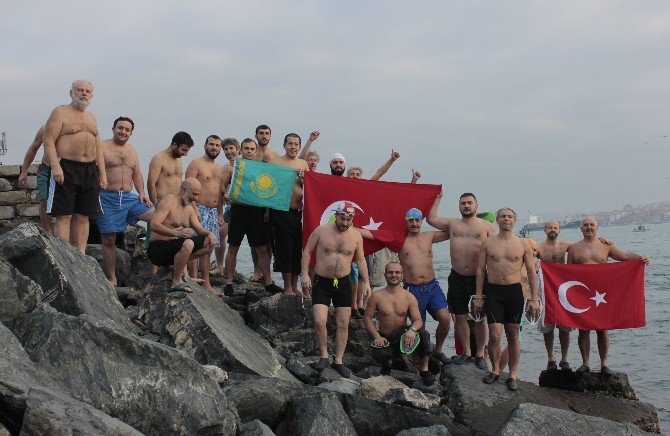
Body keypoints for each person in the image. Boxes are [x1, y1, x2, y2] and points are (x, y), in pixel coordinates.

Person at [358, 208, 452, 364]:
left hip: (432, 286)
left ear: (422, 221)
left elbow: (453, 231)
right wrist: (351, 228)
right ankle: (422, 365)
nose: (414, 223)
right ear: (406, 222)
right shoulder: (399, 239)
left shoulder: (430, 236)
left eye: (417, 220)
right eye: (410, 220)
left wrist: (437, 200)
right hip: (412, 289)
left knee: (445, 319)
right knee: (419, 328)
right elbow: (373, 235)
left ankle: (438, 350)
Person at [567, 216, 650, 375]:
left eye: (592, 225)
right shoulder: (573, 248)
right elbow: (567, 273)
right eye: (586, 225)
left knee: (602, 329)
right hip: (582, 293)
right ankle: (585, 363)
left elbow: (625, 256)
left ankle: (604, 364)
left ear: (597, 228)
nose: (589, 228)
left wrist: (640, 258)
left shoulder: (606, 246)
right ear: (581, 229)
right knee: (583, 330)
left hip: (601, 293)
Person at [473, 208, 541, 391]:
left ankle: (512, 373)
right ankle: (495, 370)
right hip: (493, 292)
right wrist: (478, 296)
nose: (506, 219)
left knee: (513, 335)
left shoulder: (523, 245)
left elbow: (532, 273)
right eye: (503, 216)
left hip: (514, 293)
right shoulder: (487, 243)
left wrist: (534, 298)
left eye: (510, 216)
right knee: (494, 335)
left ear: (515, 220)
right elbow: (480, 270)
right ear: (497, 220)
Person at [302, 201, 372, 378]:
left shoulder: (356, 236)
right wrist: (304, 275)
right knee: (319, 320)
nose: (345, 222)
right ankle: (324, 355)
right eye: (342, 218)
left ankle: (339, 360)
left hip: (342, 283)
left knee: (343, 323)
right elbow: (307, 251)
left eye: (349, 219)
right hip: (322, 282)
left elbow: (361, 260)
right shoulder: (321, 231)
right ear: (336, 215)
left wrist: (367, 283)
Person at [427, 192, 496, 369]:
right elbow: (431, 218)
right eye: (463, 203)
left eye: (469, 203)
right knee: (459, 316)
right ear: (459, 206)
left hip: (479, 278)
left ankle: (480, 354)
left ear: (476, 206)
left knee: (480, 317)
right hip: (456, 277)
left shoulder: (486, 226)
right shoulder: (452, 223)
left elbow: (497, 250)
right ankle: (466, 352)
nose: (466, 206)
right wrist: (438, 198)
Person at [43, 80, 107, 254]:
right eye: (80, 90)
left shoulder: (92, 118)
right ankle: (64, 256)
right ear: (71, 92)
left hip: (89, 170)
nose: (84, 93)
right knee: (63, 215)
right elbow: (48, 141)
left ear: (92, 95)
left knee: (83, 215)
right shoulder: (60, 113)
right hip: (66, 167)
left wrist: (102, 174)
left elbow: (98, 148)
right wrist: (55, 167)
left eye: (87, 91)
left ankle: (80, 255)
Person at [221, 138, 283, 296]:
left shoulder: (261, 167)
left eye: (251, 148)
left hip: (256, 211)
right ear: (241, 150)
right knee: (233, 247)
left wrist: (268, 210)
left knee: (261, 248)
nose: (249, 151)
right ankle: (228, 282)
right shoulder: (232, 166)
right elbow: (222, 187)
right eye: (246, 148)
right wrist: (225, 195)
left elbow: (269, 187)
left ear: (255, 151)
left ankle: (268, 281)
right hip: (238, 210)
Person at [96, 117, 153, 285]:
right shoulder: (101, 146)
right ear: (113, 128)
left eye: (127, 130)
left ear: (131, 133)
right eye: (120, 128)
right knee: (109, 239)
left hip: (129, 198)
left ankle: (155, 261)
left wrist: (142, 192)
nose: (123, 132)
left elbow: (136, 173)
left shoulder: (132, 150)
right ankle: (111, 278)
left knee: (158, 217)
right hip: (106, 197)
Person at [364, 262, 435, 385]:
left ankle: (424, 369)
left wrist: (412, 330)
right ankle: (387, 365)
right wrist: (377, 336)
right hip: (385, 338)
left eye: (397, 272)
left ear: (402, 275)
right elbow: (367, 318)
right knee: (378, 353)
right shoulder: (376, 296)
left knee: (424, 334)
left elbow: (418, 320)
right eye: (390, 272)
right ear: (385, 275)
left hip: (403, 337)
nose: (394, 275)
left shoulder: (409, 297)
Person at [147, 178, 217, 292]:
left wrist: (210, 233)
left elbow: (199, 229)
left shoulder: (189, 208)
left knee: (210, 242)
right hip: (157, 250)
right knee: (188, 243)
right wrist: (177, 233)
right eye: (194, 194)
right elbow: (154, 225)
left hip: (174, 249)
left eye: (198, 195)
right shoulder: (168, 201)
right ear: (183, 190)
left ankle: (185, 275)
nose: (196, 198)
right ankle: (176, 281)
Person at [146, 131, 195, 274]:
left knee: (180, 238)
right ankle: (153, 276)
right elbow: (151, 183)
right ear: (174, 145)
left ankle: (181, 274)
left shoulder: (178, 159)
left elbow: (180, 183)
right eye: (184, 150)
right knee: (156, 239)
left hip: (178, 204)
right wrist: (156, 205)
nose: (185, 154)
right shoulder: (158, 159)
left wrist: (188, 205)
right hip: (162, 203)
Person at [268, 133, 310, 296]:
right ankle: (287, 287)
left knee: (297, 249)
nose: (293, 147)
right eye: (290, 144)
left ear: (299, 146)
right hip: (280, 210)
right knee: (284, 248)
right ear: (284, 145)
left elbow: (310, 187)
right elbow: (266, 184)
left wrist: (304, 178)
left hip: (298, 213)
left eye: (296, 144)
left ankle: (294, 286)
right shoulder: (275, 162)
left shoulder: (303, 163)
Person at [185, 135, 225, 294]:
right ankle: (193, 280)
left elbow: (220, 194)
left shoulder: (220, 168)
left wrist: (220, 214)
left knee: (209, 248)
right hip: (198, 209)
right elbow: (186, 187)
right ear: (205, 145)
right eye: (211, 144)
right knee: (194, 246)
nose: (214, 148)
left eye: (217, 145)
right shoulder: (196, 163)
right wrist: (193, 209)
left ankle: (206, 284)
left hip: (214, 212)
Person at [213, 137, 240, 277]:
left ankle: (257, 272)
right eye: (226, 149)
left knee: (257, 244)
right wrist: (223, 195)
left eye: (231, 148)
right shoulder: (225, 167)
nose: (228, 151)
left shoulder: (248, 163)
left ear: (238, 149)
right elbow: (221, 190)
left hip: (250, 208)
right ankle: (219, 266)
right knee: (220, 232)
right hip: (231, 208)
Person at [18, 125, 53, 233]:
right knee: (44, 201)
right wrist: (24, 172)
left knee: (70, 206)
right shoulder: (46, 129)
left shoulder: (73, 129)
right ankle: (48, 233)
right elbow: (33, 149)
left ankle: (70, 240)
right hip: (47, 169)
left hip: (68, 170)